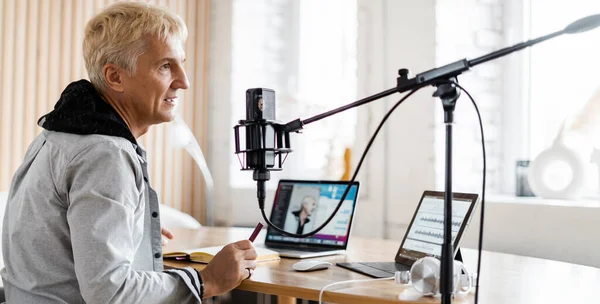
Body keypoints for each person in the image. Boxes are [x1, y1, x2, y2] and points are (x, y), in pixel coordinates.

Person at [0, 2, 256, 303]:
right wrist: (205, 281)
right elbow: (110, 292)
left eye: (181, 63)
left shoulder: (56, 136)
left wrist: (129, 230)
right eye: (165, 66)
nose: (184, 81)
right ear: (115, 77)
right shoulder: (105, 154)